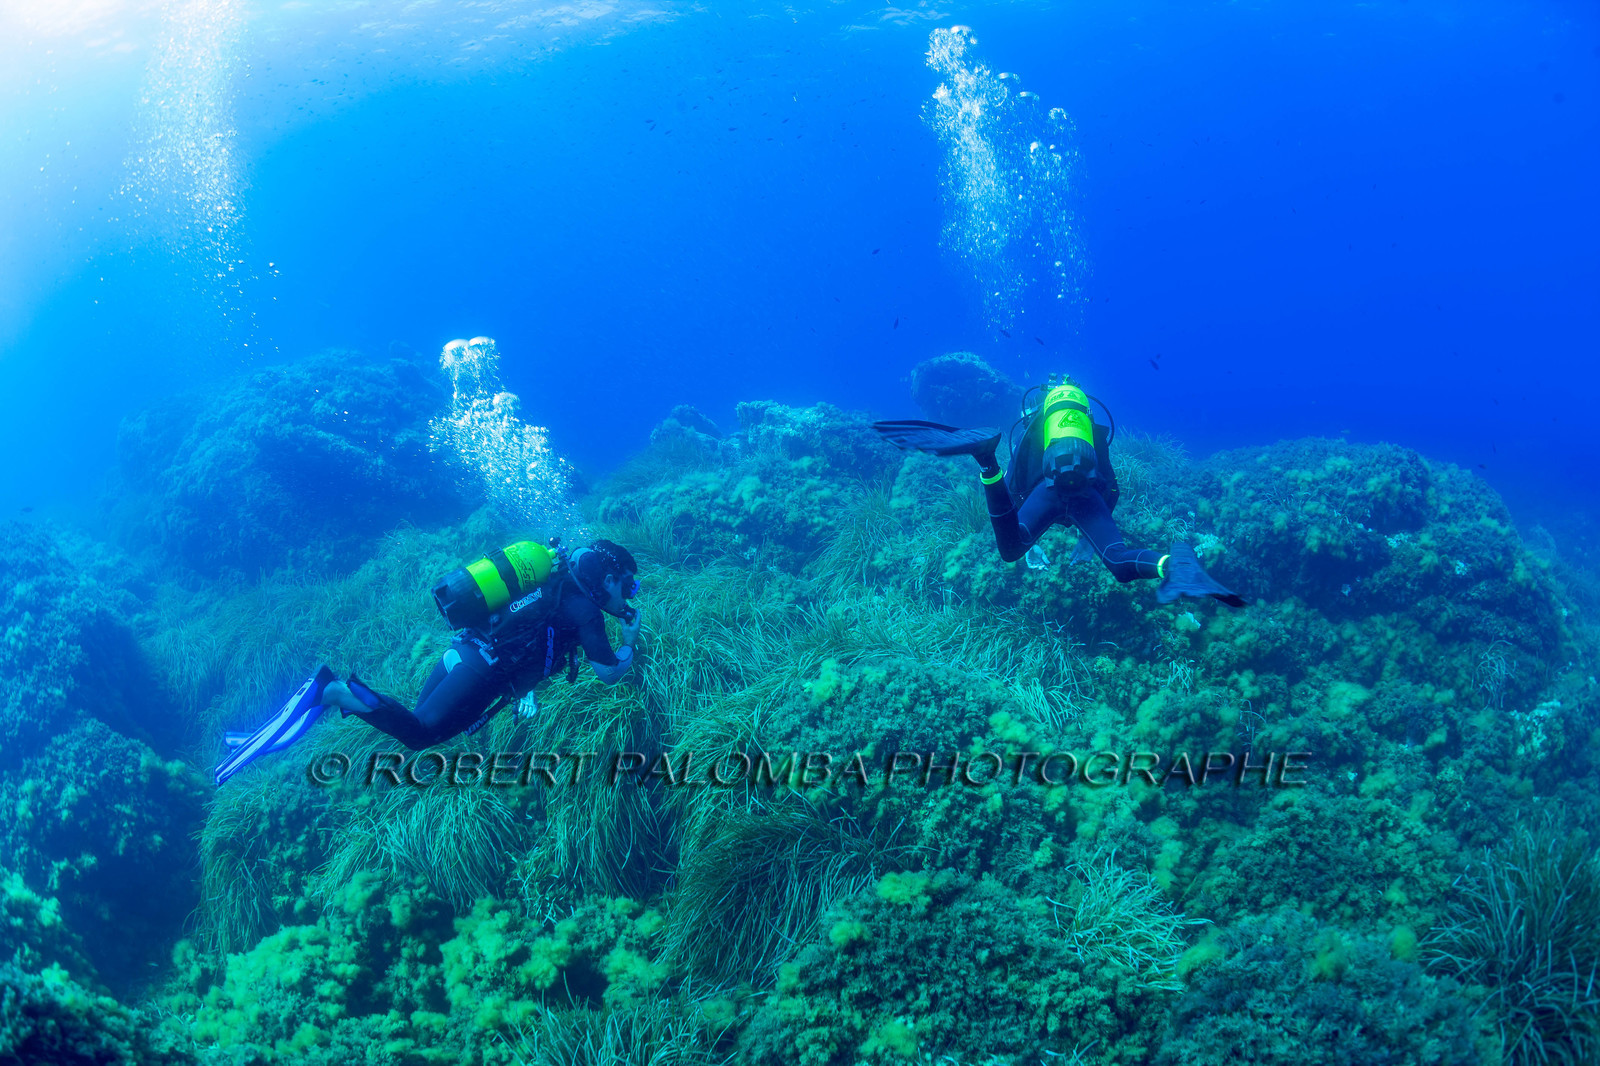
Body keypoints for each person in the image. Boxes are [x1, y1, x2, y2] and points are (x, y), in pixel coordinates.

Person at [214, 539, 642, 786]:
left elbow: (531, 636)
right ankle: (330, 690)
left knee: (415, 718)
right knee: (420, 735)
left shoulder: (553, 576)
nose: (629, 595)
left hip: (464, 650)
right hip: (482, 667)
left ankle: (293, 716)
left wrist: (523, 689)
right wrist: (629, 640)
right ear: (607, 579)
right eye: (628, 586)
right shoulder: (585, 610)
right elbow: (608, 673)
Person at [874, 376, 1245, 608]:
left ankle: (985, 459)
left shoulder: (1037, 423)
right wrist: (1096, 525)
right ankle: (1172, 566)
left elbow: (1019, 473)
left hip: (1048, 491)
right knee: (1117, 561)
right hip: (1089, 494)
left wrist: (1024, 529)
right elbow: (1109, 480)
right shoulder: (1090, 428)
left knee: (1010, 549)